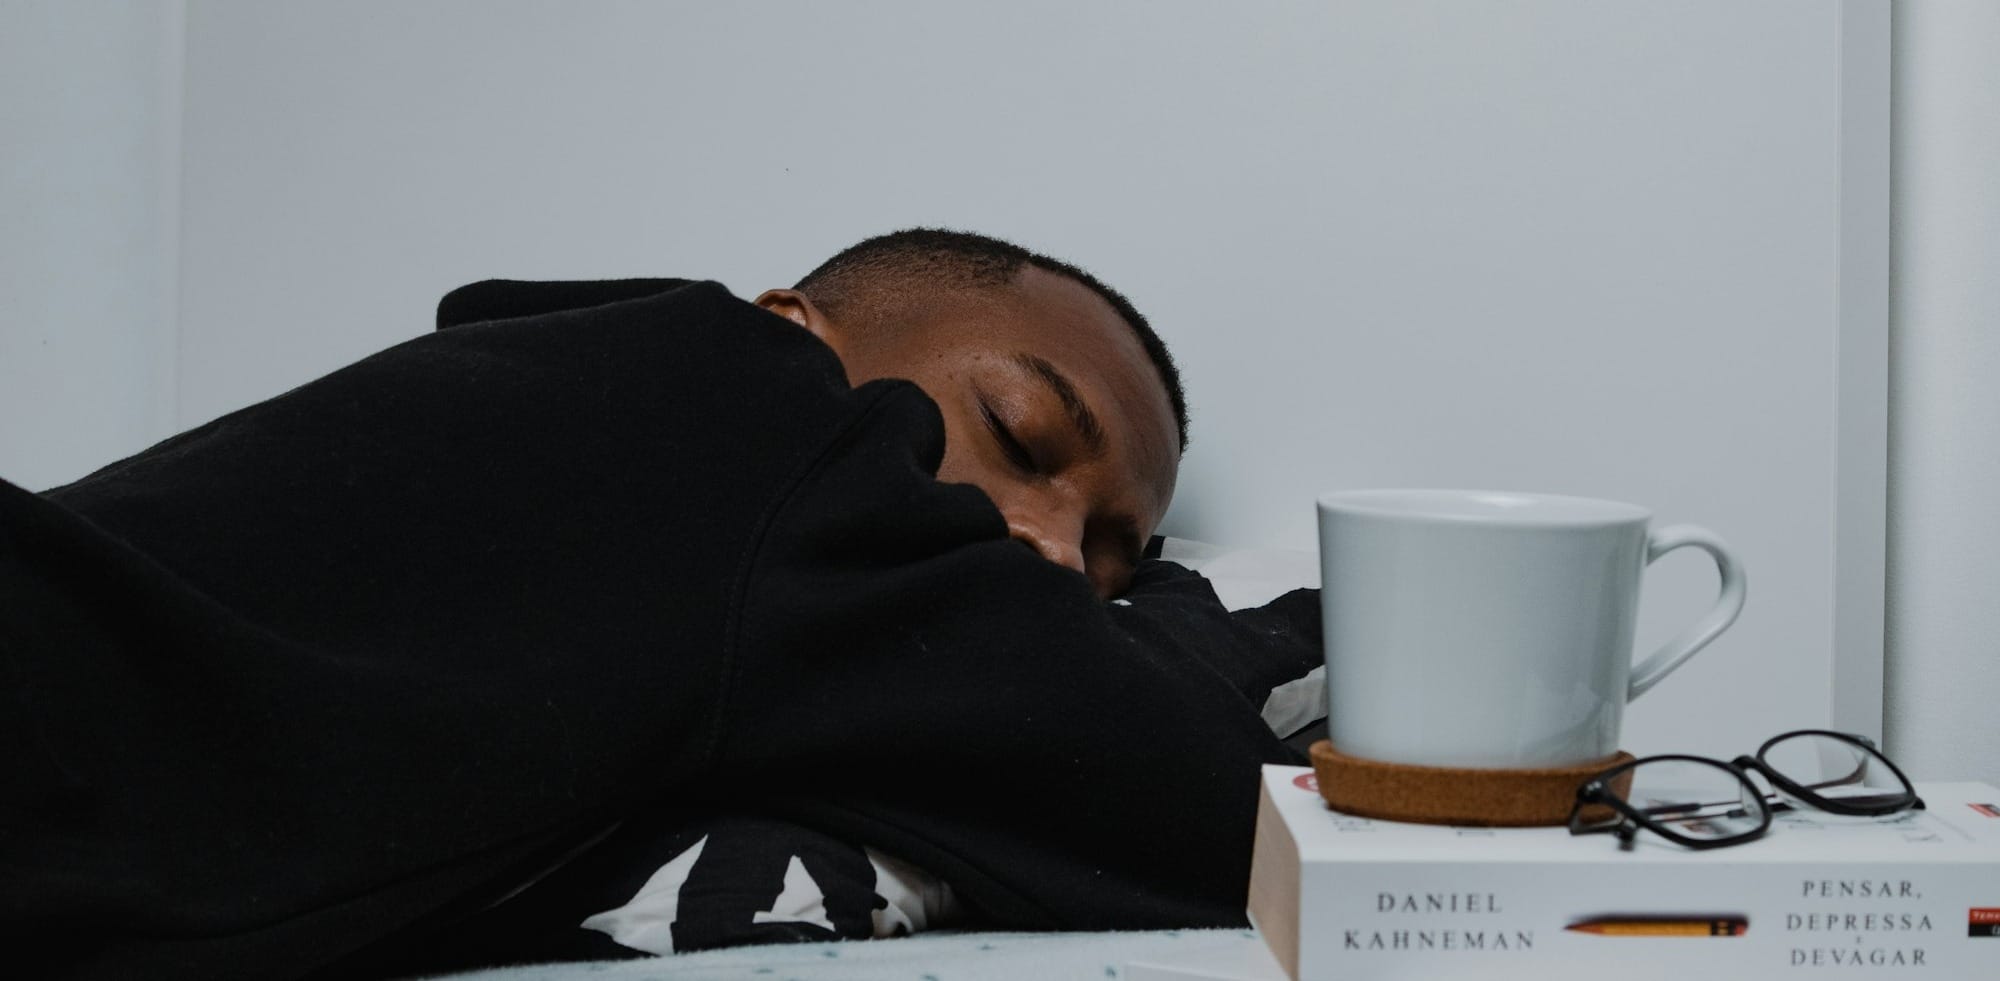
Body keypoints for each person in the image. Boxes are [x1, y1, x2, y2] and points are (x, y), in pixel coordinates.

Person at [0, 229, 1320, 979]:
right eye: (1020, 434)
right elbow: (1206, 797)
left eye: (1105, 558)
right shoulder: (748, 406)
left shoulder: (574, 487)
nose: (1044, 549)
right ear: (796, 328)